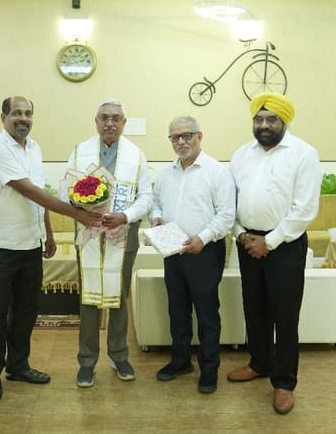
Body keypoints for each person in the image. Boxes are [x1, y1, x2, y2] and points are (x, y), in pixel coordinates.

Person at [0, 95, 101, 401]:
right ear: (3, 117)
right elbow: (27, 190)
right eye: (16, 113)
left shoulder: (34, 148)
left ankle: (18, 365)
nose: (23, 119)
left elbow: (39, 192)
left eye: (28, 114)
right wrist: (75, 214)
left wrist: (48, 232)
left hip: (30, 244)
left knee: (26, 310)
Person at [227, 92, 321, 415]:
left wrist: (269, 241)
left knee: (285, 314)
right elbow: (230, 201)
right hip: (247, 242)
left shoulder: (304, 154)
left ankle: (284, 382)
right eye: (259, 119)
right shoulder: (241, 154)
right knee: (254, 307)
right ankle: (259, 363)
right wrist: (241, 234)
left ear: (285, 122)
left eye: (271, 119)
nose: (264, 125)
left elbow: (304, 209)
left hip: (285, 245)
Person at [66, 98, 153, 388]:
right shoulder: (79, 152)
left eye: (116, 118)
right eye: (104, 117)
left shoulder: (136, 156)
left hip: (122, 234)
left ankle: (119, 355)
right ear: (96, 121)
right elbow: (67, 191)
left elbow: (146, 197)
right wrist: (80, 206)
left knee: (119, 295)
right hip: (88, 234)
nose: (110, 123)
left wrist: (125, 216)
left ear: (124, 123)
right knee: (88, 298)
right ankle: (87, 361)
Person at [149, 116, 235, 394]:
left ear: (200, 136)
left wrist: (203, 238)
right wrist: (156, 217)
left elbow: (226, 215)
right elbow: (155, 202)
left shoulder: (217, 172)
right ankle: (181, 361)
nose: (181, 141)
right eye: (175, 137)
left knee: (207, 313)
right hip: (172, 249)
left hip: (205, 252)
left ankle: (209, 369)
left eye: (187, 135)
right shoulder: (166, 174)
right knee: (177, 309)